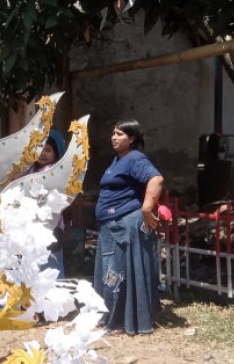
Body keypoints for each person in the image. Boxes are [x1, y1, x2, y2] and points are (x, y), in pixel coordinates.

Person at [93, 119, 164, 335]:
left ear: (131, 138)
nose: (114, 137)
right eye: (113, 133)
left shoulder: (135, 158)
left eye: (120, 134)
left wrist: (147, 208)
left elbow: (156, 179)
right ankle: (115, 316)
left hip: (124, 224)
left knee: (116, 273)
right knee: (112, 271)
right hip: (112, 224)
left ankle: (121, 320)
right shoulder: (118, 160)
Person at [16, 131, 66, 277]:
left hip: (49, 227)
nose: (42, 153)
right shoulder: (28, 170)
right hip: (27, 228)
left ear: (56, 153)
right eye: (39, 149)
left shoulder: (57, 172)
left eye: (48, 150)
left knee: (48, 270)